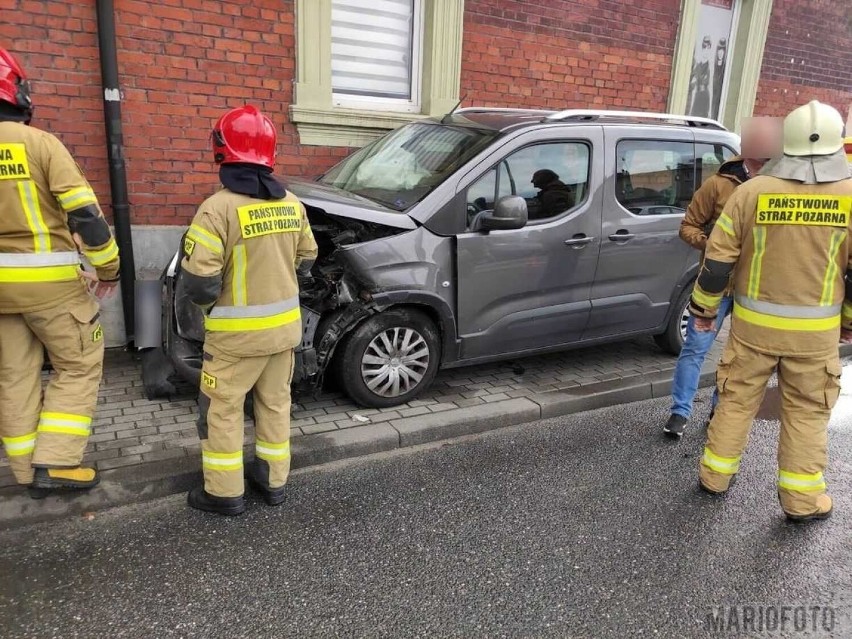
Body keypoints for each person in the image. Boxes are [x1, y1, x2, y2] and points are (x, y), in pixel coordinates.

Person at [689, 100, 852, 522]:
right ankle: (800, 502)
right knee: (805, 412)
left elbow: (718, 260)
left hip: (753, 332)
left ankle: (714, 477)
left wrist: (704, 310)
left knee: (737, 401)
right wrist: (848, 322)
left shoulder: (752, 192)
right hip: (815, 339)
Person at [179, 104, 318, 516]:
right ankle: (273, 482)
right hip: (283, 334)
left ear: (222, 152)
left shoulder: (217, 209)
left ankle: (224, 493)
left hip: (234, 341)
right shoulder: (292, 203)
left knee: (220, 412)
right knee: (275, 406)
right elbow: (308, 259)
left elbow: (199, 283)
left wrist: (208, 313)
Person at [0, 48, 120, 497]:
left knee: (14, 374)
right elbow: (85, 215)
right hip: (50, 289)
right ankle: (58, 462)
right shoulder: (39, 144)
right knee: (79, 366)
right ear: (17, 92)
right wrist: (108, 267)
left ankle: (25, 470)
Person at [663, 126, 776, 438]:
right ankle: (679, 412)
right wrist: (708, 242)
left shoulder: (783, 186)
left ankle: (718, 410)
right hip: (715, 284)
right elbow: (688, 225)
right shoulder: (718, 184)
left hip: (756, 288)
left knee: (740, 357)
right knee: (695, 348)